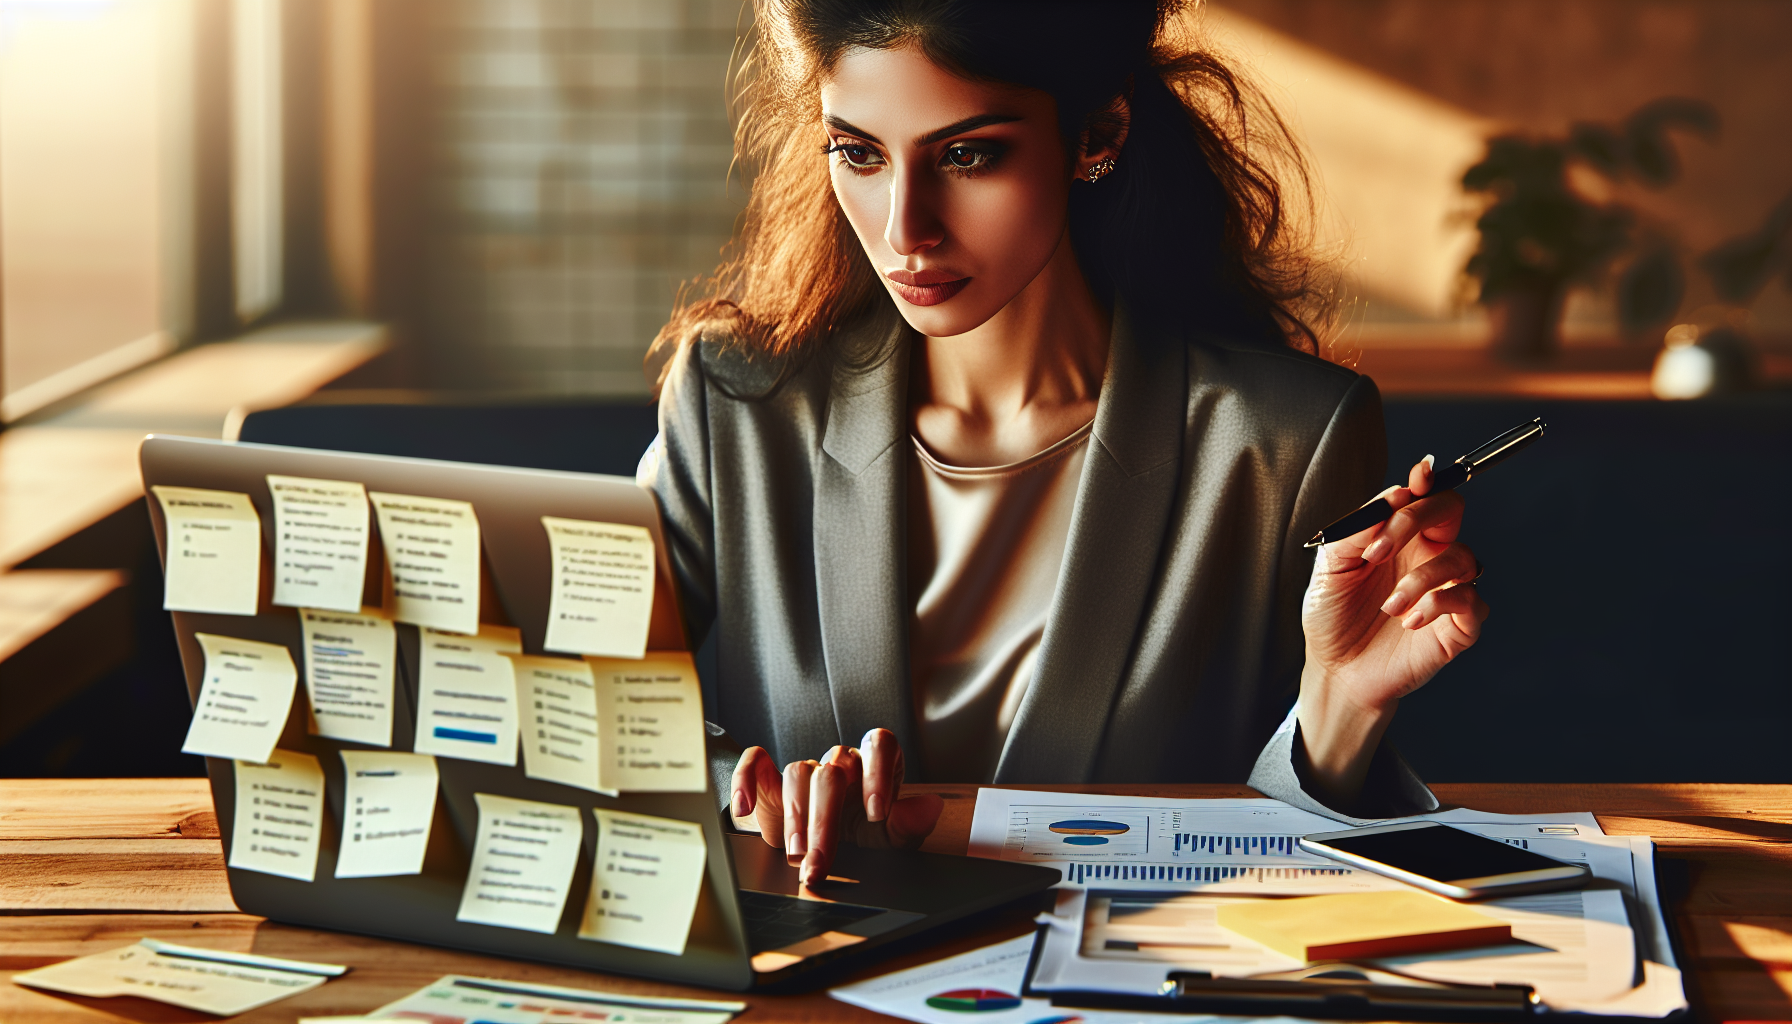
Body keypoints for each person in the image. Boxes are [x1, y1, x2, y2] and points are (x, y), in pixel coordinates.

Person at [637, 0, 1489, 886]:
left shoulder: (1284, 443)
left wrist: (1340, 707)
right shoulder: (732, 404)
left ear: (1097, 133)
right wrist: (745, 790)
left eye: (967, 155)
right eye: (859, 153)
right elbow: (587, 719)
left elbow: (1292, 867)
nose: (905, 230)